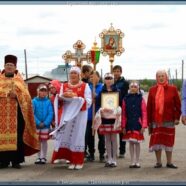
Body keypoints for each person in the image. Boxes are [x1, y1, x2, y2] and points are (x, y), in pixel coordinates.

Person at [0, 54, 39, 169]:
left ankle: (16, 161)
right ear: (4, 66)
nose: (9, 67)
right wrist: (5, 94)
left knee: (17, 137)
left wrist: (16, 95)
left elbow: (26, 97)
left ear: (15, 67)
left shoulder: (19, 81)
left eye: (11, 65)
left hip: (17, 115)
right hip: (1, 116)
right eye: (7, 65)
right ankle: (3, 161)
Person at [51, 66, 92, 170]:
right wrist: (60, 97)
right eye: (71, 73)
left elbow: (88, 101)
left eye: (75, 73)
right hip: (67, 115)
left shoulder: (85, 86)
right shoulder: (64, 85)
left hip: (79, 115)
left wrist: (77, 99)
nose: (73, 75)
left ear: (79, 75)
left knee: (78, 136)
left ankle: (78, 161)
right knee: (67, 136)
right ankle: (70, 160)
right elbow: (60, 98)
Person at [147, 70, 181, 169]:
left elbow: (178, 105)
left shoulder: (173, 89)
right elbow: (149, 107)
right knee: (157, 141)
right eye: (159, 76)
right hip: (156, 120)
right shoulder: (152, 90)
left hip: (169, 119)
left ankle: (169, 162)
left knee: (168, 140)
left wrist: (177, 117)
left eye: (163, 76)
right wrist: (149, 122)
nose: (161, 78)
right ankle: (158, 162)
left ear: (166, 77)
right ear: (156, 78)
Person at [93, 73, 122, 168]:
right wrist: (96, 100)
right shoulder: (102, 92)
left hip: (113, 118)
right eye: (107, 78)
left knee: (114, 139)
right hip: (105, 118)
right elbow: (97, 104)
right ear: (104, 80)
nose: (108, 80)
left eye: (110, 78)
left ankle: (114, 159)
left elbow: (121, 103)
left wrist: (118, 109)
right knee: (107, 139)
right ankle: (109, 158)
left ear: (113, 79)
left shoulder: (117, 91)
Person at [122, 81, 147, 168]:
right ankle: (132, 161)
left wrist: (144, 125)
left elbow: (144, 112)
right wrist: (123, 126)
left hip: (137, 123)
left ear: (138, 88)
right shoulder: (125, 99)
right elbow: (124, 114)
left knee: (137, 143)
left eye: (135, 87)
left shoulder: (141, 99)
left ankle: (137, 161)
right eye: (131, 87)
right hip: (129, 124)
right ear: (129, 88)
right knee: (131, 143)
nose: (133, 88)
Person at [85, 71, 105, 162]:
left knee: (101, 136)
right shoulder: (88, 88)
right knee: (90, 136)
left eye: (94, 76)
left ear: (98, 77)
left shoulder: (103, 87)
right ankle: (91, 154)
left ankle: (102, 154)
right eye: (91, 77)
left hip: (99, 115)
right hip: (89, 115)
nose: (92, 78)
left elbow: (106, 100)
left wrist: (97, 97)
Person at [32, 84, 53, 165]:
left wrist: (45, 123)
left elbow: (50, 113)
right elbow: (32, 113)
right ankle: (39, 157)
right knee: (38, 141)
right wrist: (37, 122)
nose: (43, 93)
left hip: (45, 125)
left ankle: (43, 157)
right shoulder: (34, 101)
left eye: (45, 91)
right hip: (37, 125)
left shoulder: (48, 102)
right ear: (38, 92)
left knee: (44, 141)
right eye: (41, 91)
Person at [113, 65, 129, 158]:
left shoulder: (125, 83)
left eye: (118, 71)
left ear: (121, 72)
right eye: (114, 71)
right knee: (113, 129)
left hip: (121, 108)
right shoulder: (110, 81)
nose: (116, 73)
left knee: (121, 129)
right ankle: (112, 149)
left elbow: (126, 95)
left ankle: (122, 151)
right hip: (112, 108)